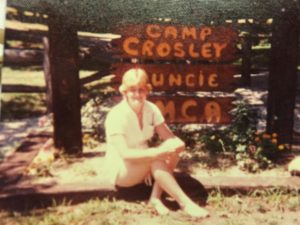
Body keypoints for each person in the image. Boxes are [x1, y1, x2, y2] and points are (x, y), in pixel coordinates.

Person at [104, 68, 209, 217]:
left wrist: (178, 145)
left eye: (141, 90)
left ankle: (155, 198)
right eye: (132, 90)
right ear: (124, 92)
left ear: (147, 90)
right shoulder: (116, 115)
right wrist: (156, 154)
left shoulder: (151, 109)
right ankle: (185, 203)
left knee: (171, 149)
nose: (137, 95)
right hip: (122, 169)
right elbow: (125, 154)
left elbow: (171, 138)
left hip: (144, 162)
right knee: (158, 158)